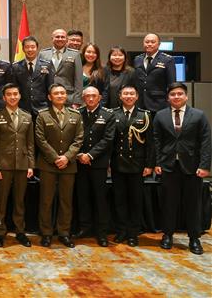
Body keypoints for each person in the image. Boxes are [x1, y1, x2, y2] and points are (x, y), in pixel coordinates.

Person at [154, 82, 211, 255]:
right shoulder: (160, 115)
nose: (176, 97)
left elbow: (206, 142)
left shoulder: (199, 115)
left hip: (192, 167)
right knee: (168, 203)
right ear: (168, 97)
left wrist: (204, 165)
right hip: (168, 166)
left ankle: (194, 238)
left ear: (186, 96)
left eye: (180, 93)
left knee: (193, 204)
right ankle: (167, 235)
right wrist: (157, 163)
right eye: (173, 94)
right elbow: (156, 141)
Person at [35, 83, 83, 248]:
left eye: (63, 93)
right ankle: (46, 233)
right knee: (46, 201)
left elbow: (79, 139)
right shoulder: (42, 115)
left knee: (66, 201)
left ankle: (64, 233)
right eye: (56, 93)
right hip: (48, 164)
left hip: (68, 165)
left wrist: (67, 157)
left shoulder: (75, 115)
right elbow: (40, 139)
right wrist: (55, 158)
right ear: (50, 97)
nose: (60, 95)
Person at [0, 83, 34, 248]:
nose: (13, 97)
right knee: (1, 202)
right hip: (4, 166)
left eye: (15, 94)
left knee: (19, 201)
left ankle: (20, 232)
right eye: (9, 94)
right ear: (4, 97)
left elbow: (30, 144)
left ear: (20, 96)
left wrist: (31, 165)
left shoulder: (27, 117)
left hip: (22, 165)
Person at [111, 85, 153, 247]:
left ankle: (133, 233)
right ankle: (121, 230)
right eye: (125, 93)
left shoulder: (145, 115)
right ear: (120, 96)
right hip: (118, 164)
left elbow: (150, 143)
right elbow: (110, 141)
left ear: (137, 97)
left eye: (131, 94)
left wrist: (149, 165)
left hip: (137, 165)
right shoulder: (113, 114)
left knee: (136, 200)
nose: (128, 96)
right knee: (119, 199)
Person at [73, 86, 115, 247]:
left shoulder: (108, 114)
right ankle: (85, 227)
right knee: (82, 196)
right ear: (83, 98)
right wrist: (79, 155)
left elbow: (108, 139)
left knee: (100, 198)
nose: (90, 99)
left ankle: (101, 232)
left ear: (99, 98)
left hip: (98, 163)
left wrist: (89, 155)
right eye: (87, 96)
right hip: (80, 162)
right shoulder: (77, 114)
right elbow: (73, 136)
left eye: (94, 96)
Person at [11, 36, 53, 118]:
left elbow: (50, 87)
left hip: (42, 108)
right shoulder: (16, 67)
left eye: (33, 47)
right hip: (22, 109)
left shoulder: (46, 65)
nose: (30, 49)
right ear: (23, 49)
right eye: (27, 47)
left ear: (37, 48)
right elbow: (14, 88)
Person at [39, 28, 83, 107]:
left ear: (66, 39)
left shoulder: (75, 54)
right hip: (47, 97)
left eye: (62, 37)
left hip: (68, 97)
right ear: (52, 38)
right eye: (57, 37)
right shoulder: (43, 54)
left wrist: (77, 101)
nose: (60, 39)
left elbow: (78, 80)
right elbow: (39, 77)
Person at [133, 33, 175, 114]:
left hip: (159, 103)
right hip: (140, 103)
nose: (149, 44)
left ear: (159, 44)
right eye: (147, 42)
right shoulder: (137, 59)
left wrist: (170, 102)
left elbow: (172, 84)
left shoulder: (167, 60)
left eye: (153, 42)